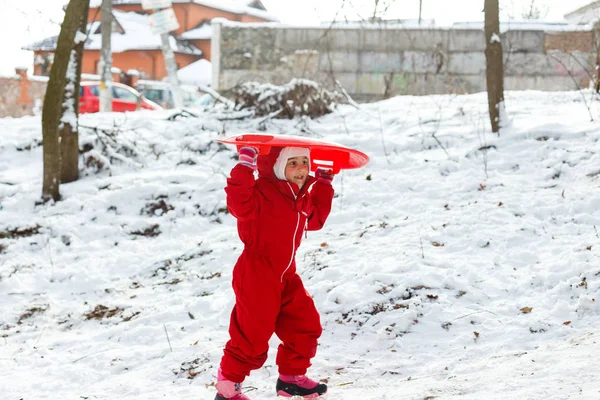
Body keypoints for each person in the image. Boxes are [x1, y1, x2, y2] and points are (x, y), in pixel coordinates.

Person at [215, 145, 335, 400]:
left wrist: (323, 183)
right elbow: (239, 204)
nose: (301, 168)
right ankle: (228, 386)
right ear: (277, 167)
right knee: (252, 334)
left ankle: (291, 378)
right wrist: (245, 168)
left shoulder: (301, 198)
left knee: (304, 323)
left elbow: (314, 219)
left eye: (305, 162)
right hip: (257, 273)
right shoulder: (262, 193)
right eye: (292, 163)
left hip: (285, 274)